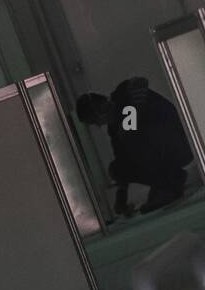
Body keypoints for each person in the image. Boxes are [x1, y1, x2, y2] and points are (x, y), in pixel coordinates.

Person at [75, 77, 193, 217]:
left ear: (100, 110)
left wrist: (134, 99)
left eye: (95, 121)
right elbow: (122, 158)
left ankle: (169, 183)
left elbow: (137, 83)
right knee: (117, 167)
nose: (99, 125)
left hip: (178, 144)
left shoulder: (124, 100)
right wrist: (122, 194)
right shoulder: (116, 126)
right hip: (162, 149)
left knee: (130, 139)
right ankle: (163, 183)